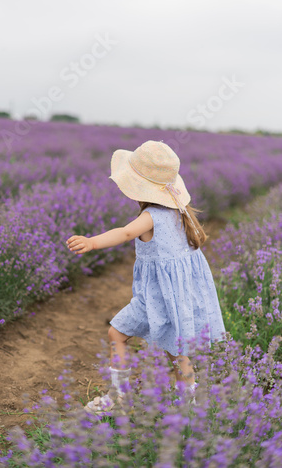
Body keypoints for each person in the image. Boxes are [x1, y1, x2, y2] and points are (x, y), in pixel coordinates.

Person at [66, 140, 226, 413]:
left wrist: (92, 242)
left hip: (155, 298)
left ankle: (118, 398)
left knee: (116, 333)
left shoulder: (151, 216)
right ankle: (189, 408)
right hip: (178, 300)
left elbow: (125, 232)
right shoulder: (181, 213)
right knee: (178, 354)